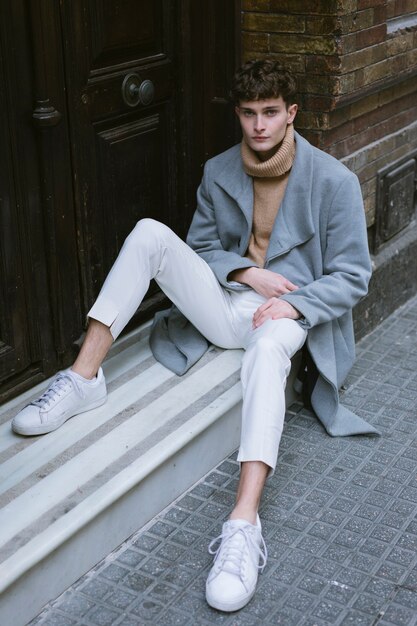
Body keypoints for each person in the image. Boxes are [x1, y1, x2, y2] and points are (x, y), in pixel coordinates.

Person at [12, 59, 378, 613]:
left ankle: (242, 525)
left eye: (271, 113)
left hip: (286, 314)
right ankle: (84, 377)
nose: (259, 126)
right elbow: (201, 247)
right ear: (238, 114)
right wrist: (245, 271)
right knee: (149, 235)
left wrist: (292, 302)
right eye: (249, 113)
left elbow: (354, 275)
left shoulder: (334, 181)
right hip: (227, 300)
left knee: (270, 354)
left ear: (291, 114)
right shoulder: (218, 171)